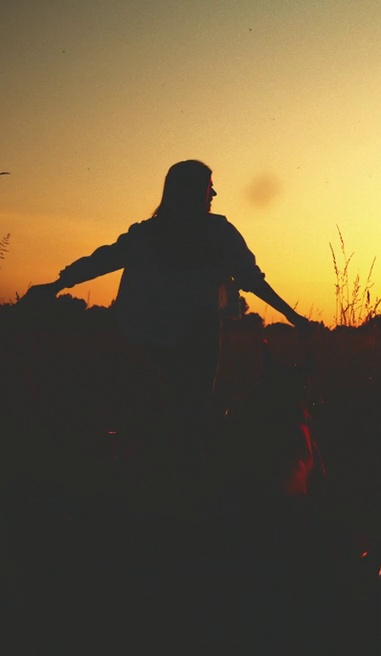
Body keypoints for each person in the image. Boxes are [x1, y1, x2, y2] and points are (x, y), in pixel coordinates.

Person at [22, 160, 317, 477]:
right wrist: (293, 316)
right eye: (209, 185)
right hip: (196, 336)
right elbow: (252, 280)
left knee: (155, 414)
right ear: (195, 191)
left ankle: (154, 479)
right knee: (189, 414)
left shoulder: (148, 234)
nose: (214, 192)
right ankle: (182, 483)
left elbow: (103, 259)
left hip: (146, 336)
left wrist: (57, 285)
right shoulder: (218, 233)